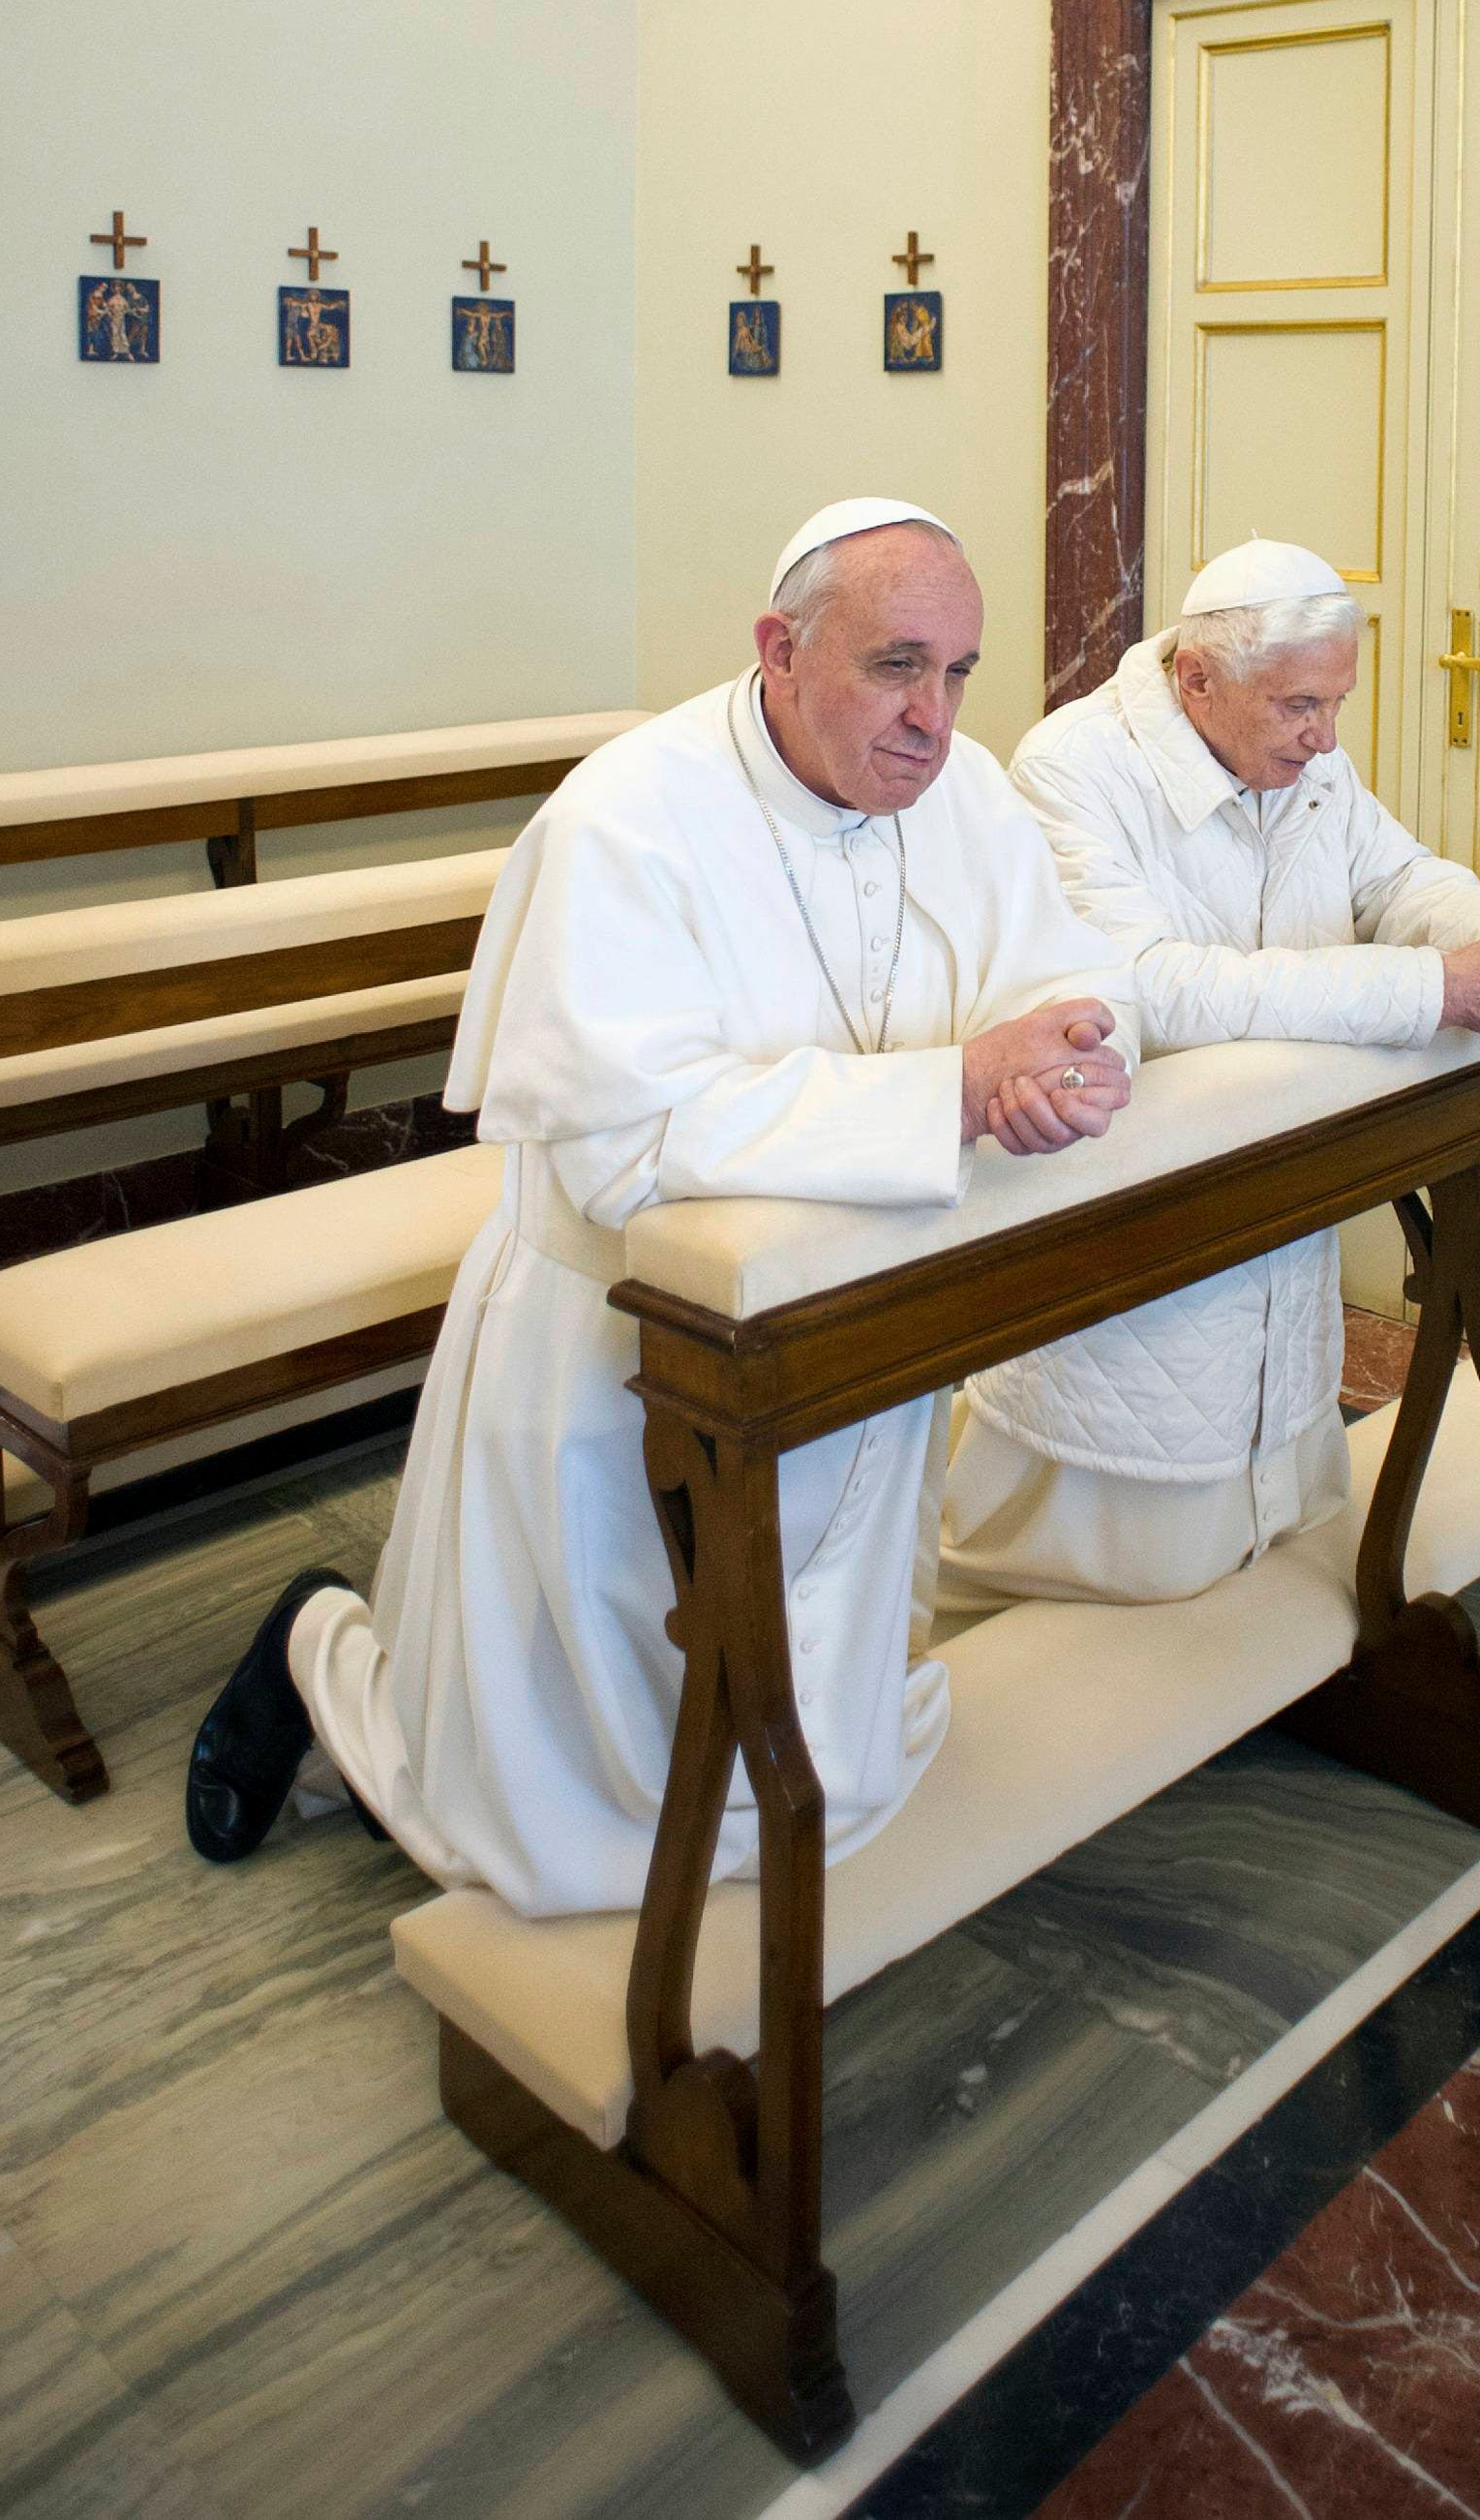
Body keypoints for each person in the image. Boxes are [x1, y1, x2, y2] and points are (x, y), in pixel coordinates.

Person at [186, 499, 1135, 1913]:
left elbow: (1060, 971)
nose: (933, 720)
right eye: (894, 666)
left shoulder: (966, 792)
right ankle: (316, 1651)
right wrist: (953, 1089)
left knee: (807, 1720)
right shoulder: (628, 817)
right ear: (779, 648)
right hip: (618, 1354)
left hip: (846, 1332)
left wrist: (1061, 1055)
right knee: (550, 1789)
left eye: (957, 673)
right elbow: (625, 1144)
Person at [938, 537, 1480, 1618]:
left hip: (1281, 1169)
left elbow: (1396, 877)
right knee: (1108, 1548)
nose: (1326, 736)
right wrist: (1437, 989)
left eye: (1335, 702)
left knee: (1271, 1535)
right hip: (1138, 1181)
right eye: (1301, 705)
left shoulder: (1301, 755)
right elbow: (1150, 987)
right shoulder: (1069, 765)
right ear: (1196, 679)